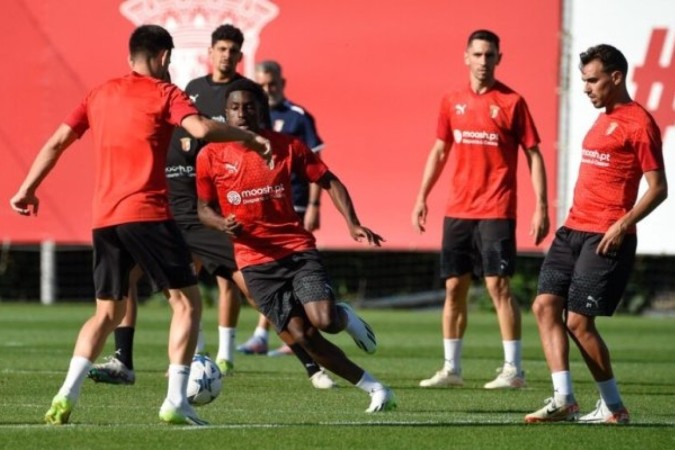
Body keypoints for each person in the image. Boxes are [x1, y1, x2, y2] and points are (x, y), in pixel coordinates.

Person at [9, 24, 270, 426]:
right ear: (164, 57)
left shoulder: (98, 93)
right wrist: (247, 138)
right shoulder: (165, 92)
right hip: (147, 213)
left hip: (104, 219)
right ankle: (175, 402)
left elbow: (58, 141)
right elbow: (200, 128)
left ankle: (65, 395)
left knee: (106, 313)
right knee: (187, 303)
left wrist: (26, 189)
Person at [87, 25, 336, 390]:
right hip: (157, 219)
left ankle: (310, 362)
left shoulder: (189, 118)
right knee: (126, 280)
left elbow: (214, 157)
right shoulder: (143, 122)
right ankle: (124, 360)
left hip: (196, 220)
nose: (160, 94)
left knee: (250, 286)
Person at [196, 78, 396, 413]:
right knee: (302, 337)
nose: (242, 113)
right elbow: (203, 209)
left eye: (249, 106)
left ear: (262, 110)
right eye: (234, 107)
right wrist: (220, 223)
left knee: (325, 321)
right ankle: (376, 389)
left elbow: (328, 180)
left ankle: (343, 316)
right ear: (224, 114)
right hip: (254, 262)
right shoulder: (210, 155)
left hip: (295, 250)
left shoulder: (287, 145)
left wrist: (352, 222)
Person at [524, 44, 667, 424]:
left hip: (604, 234)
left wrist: (622, 224)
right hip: (571, 229)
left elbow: (658, 188)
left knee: (578, 322)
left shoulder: (639, 123)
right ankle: (564, 399)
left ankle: (614, 407)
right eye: (584, 81)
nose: (586, 88)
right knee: (544, 306)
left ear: (616, 77)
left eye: (593, 80)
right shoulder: (603, 117)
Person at [411, 29, 549, 389]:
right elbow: (440, 150)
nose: (483, 62)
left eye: (490, 55)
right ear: (466, 57)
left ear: (499, 58)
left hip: (497, 208)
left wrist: (542, 207)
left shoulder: (512, 102)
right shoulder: (451, 100)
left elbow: (533, 154)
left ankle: (513, 370)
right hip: (458, 208)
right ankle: (451, 369)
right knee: (454, 287)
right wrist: (422, 196)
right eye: (477, 55)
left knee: (498, 285)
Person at [238, 60, 326, 358]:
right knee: (268, 268)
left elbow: (317, 165)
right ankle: (277, 332)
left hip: (294, 202)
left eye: (272, 84)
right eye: (261, 85)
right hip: (259, 206)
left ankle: (270, 333)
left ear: (282, 83)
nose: (267, 89)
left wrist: (315, 204)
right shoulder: (249, 118)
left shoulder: (298, 117)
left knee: (284, 268)